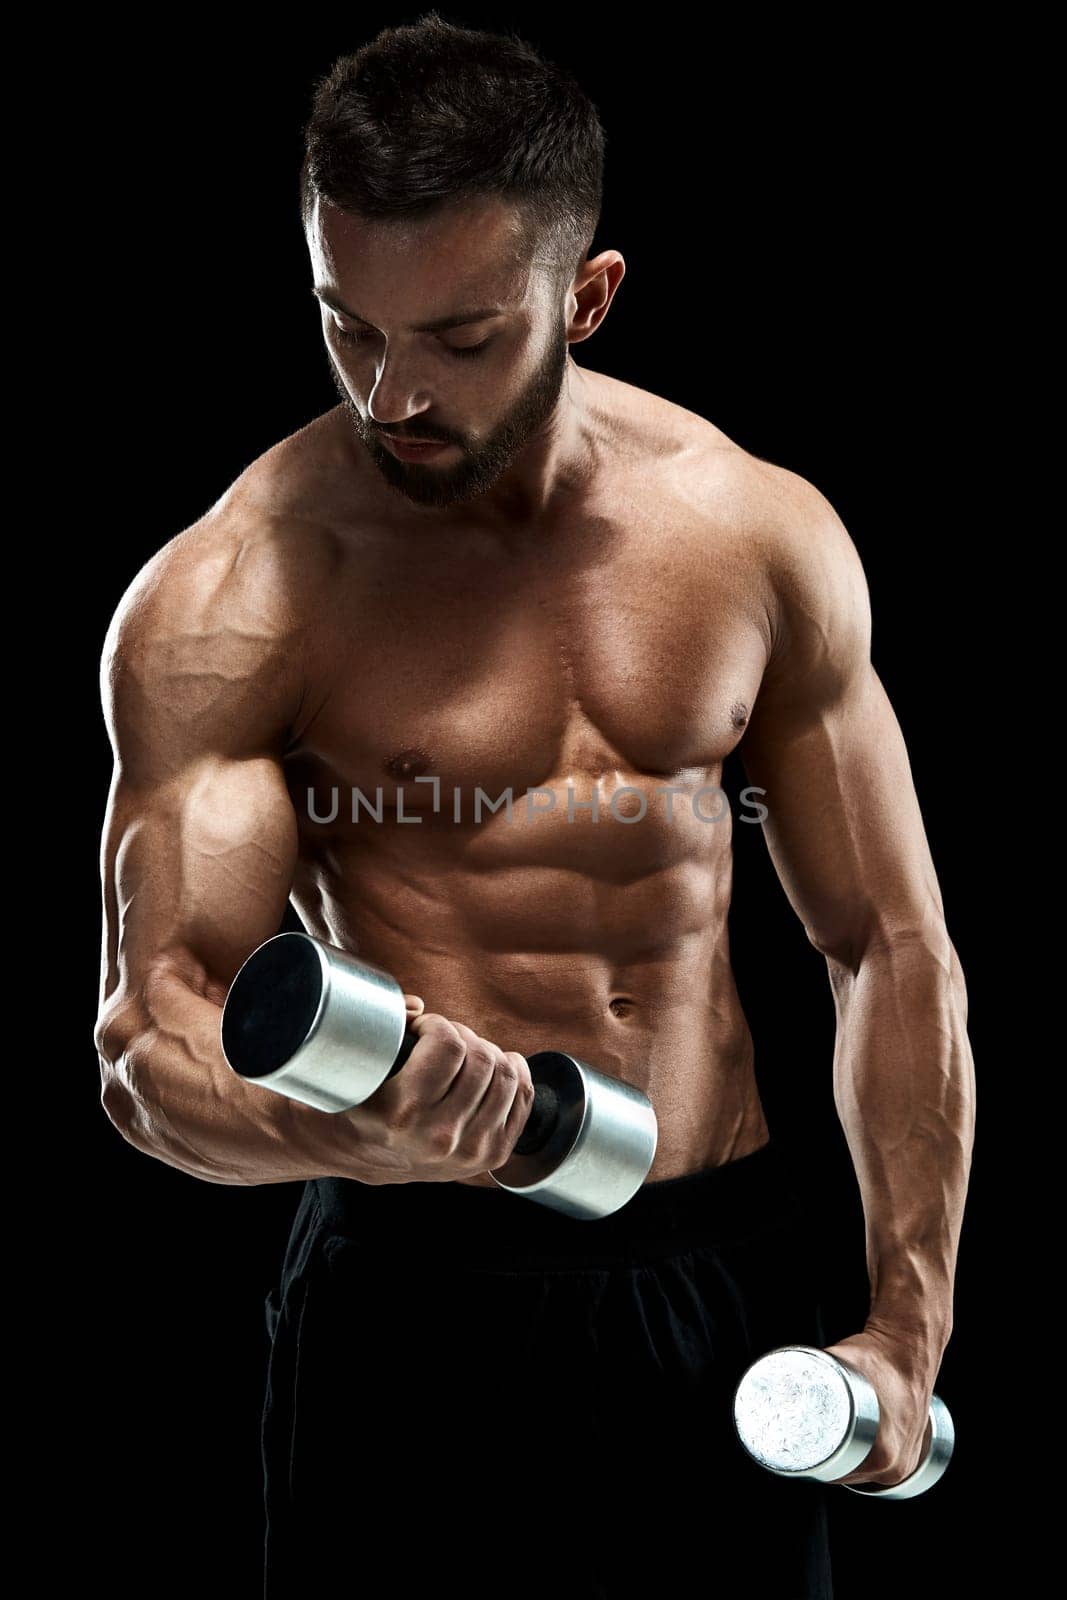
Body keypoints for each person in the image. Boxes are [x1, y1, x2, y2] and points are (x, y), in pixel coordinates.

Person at [93, 14, 975, 1599]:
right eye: (346, 326)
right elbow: (149, 1046)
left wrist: (907, 1328)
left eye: (460, 337)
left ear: (590, 295)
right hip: (409, 1290)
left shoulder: (752, 538)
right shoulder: (237, 592)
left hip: (711, 1262)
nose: (389, 393)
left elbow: (889, 947)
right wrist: (348, 1135)